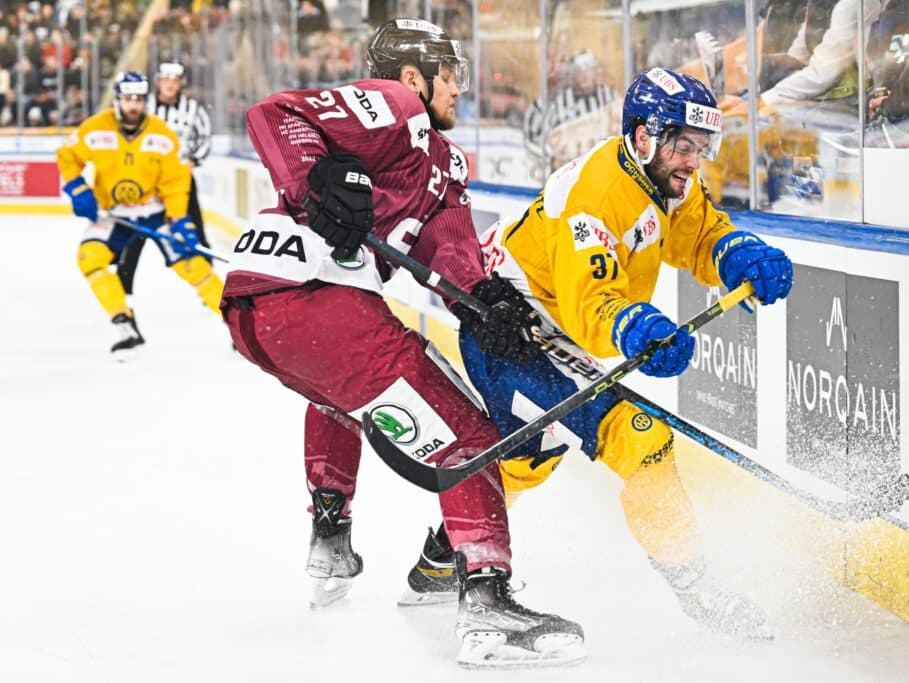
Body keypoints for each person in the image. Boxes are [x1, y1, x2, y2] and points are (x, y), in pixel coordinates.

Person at [219, 18, 584, 668]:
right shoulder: (395, 105)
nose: (459, 88)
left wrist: (487, 301)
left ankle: (329, 531)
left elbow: (450, 253)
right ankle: (487, 605)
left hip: (260, 314)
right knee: (471, 439)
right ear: (414, 75)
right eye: (450, 74)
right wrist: (318, 177)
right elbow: (274, 114)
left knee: (343, 399)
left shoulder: (445, 163)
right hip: (313, 297)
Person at [398, 67, 793, 640]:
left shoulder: (664, 178)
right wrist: (636, 327)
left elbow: (700, 233)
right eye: (684, 146)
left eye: (701, 147)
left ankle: (440, 559)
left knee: (526, 461)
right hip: (511, 333)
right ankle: (697, 587)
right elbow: (592, 304)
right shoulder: (597, 195)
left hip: (546, 334)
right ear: (644, 137)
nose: (693, 161)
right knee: (641, 439)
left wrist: (736, 254)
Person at [56, 71, 223, 356]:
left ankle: (241, 325)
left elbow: (175, 181)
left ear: (145, 100)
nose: (133, 105)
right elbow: (67, 156)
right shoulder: (95, 128)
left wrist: (180, 218)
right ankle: (124, 324)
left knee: (193, 266)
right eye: (127, 98)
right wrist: (78, 189)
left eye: (138, 99)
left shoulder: (162, 134)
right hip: (114, 214)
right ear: (118, 99)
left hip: (154, 212)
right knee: (90, 259)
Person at [117, 61, 214, 296]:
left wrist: (193, 160)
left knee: (194, 231)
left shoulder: (193, 109)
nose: (170, 84)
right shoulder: (144, 105)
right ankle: (122, 286)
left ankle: (211, 287)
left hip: (180, 179)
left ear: (180, 83)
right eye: (166, 79)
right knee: (135, 232)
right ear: (158, 81)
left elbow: (204, 137)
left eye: (175, 80)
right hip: (146, 180)